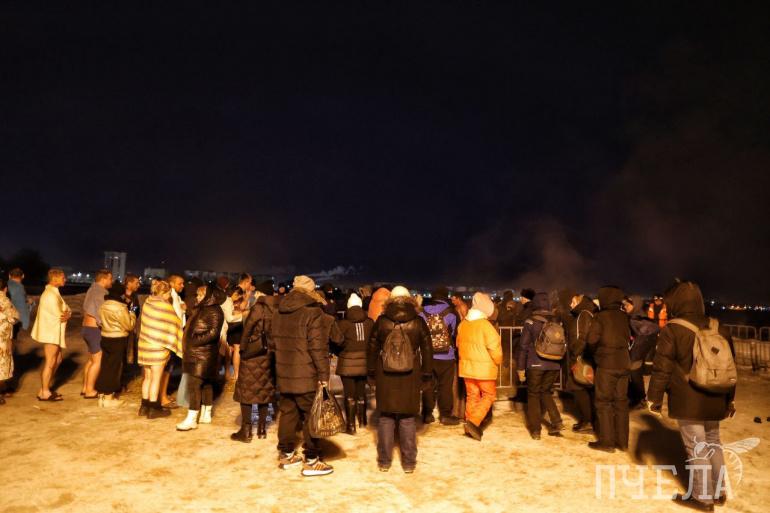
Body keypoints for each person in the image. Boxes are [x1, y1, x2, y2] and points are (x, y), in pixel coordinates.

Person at [647, 281, 736, 511]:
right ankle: (719, 492)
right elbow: (730, 368)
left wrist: (654, 398)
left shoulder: (673, 329)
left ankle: (702, 498)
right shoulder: (718, 327)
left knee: (697, 447)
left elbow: (662, 367)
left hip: (688, 399)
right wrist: (729, 399)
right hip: (716, 396)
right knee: (713, 443)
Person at [272, 275, 334, 476]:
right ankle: (312, 460)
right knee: (311, 416)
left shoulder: (278, 311)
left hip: (284, 372)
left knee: (288, 412)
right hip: (306, 373)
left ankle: (286, 454)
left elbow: (272, 343)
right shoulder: (312, 312)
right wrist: (324, 375)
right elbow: (317, 347)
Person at [368, 285, 433, 473]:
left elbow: (372, 348)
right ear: (409, 300)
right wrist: (426, 375)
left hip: (385, 374)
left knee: (386, 418)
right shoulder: (418, 321)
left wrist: (371, 373)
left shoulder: (382, 321)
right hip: (410, 375)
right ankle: (409, 463)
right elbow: (427, 350)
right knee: (407, 418)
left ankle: (384, 461)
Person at [586, 286, 631, 452]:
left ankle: (607, 442)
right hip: (624, 363)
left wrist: (595, 354)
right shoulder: (624, 316)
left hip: (606, 364)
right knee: (621, 402)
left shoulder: (600, 317)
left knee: (603, 402)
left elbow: (591, 340)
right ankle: (622, 442)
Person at [231, 280, 277, 441]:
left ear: (261, 293)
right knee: (264, 393)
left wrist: (243, 350)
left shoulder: (258, 308)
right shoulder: (277, 308)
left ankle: (246, 430)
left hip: (253, 355)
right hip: (269, 355)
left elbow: (248, 330)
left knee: (246, 392)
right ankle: (262, 429)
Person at [177, 284, 226, 431]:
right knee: (205, 384)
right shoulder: (201, 308)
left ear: (207, 295)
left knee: (194, 384)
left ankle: (192, 418)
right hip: (197, 353)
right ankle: (206, 414)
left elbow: (213, 333)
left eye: (200, 295)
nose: (197, 297)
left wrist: (194, 341)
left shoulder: (214, 310)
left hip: (202, 354)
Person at [517, 292, 564, 439]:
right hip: (554, 363)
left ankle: (536, 430)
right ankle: (557, 421)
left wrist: (520, 368)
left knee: (533, 395)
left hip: (535, 363)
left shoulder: (531, 321)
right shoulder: (556, 320)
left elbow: (523, 346)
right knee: (546, 392)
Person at [456, 292, 502, 440]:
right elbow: (495, 349)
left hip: (466, 367)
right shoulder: (486, 326)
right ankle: (473, 422)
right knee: (489, 395)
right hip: (484, 370)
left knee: (472, 396)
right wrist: (498, 361)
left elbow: (458, 344)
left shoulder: (462, 324)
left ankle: (469, 425)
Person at [137, 279, 183, 419]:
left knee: (147, 377)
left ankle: (144, 407)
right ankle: (153, 408)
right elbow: (176, 323)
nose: (169, 296)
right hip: (157, 348)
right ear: (165, 293)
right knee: (156, 379)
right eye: (169, 294)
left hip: (145, 345)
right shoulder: (165, 306)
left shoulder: (147, 302)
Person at [330, 293, 374, 435]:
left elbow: (335, 342)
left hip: (347, 364)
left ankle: (351, 426)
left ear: (348, 307)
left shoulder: (343, 324)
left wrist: (340, 353)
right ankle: (362, 421)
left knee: (349, 395)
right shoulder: (370, 323)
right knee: (361, 393)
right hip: (365, 362)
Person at [420, 286, 460, 425]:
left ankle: (427, 414)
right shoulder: (451, 312)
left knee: (428, 385)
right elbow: (455, 334)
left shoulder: (423, 312)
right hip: (447, 356)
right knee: (445, 386)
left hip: (427, 355)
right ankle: (445, 415)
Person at [31, 268, 71, 401]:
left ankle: (44, 388)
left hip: (53, 332)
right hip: (51, 333)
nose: (65, 279)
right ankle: (44, 392)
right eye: (63, 277)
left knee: (57, 360)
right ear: (55, 278)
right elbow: (61, 313)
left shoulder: (53, 292)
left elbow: (66, 309)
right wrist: (66, 314)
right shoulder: (49, 294)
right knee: (50, 361)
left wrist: (67, 313)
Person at [96, 283, 136, 407]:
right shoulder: (120, 307)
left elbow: (100, 321)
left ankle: (102, 394)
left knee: (105, 366)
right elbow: (129, 325)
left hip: (105, 337)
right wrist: (132, 313)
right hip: (117, 339)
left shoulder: (104, 305)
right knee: (114, 368)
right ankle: (109, 397)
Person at [565, 293, 598, 433]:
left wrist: (575, 353)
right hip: (587, 357)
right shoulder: (588, 313)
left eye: (573, 302)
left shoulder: (583, 315)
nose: (570, 305)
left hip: (581, 358)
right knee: (587, 388)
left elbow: (582, 337)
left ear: (579, 302)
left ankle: (588, 421)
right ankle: (590, 420)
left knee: (579, 388)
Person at [81, 269, 113, 399]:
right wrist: (106, 326)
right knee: (98, 361)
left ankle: (85, 387)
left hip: (86, 328)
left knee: (91, 360)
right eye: (110, 278)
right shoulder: (101, 292)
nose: (112, 281)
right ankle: (90, 390)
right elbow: (100, 313)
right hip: (94, 330)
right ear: (103, 279)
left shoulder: (91, 289)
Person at [624, 295, 660, 408]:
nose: (625, 307)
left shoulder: (639, 320)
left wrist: (635, 354)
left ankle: (639, 400)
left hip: (636, 353)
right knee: (633, 376)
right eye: (625, 305)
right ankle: (636, 398)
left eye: (628, 305)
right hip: (633, 352)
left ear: (636, 305)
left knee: (635, 376)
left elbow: (644, 337)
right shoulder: (633, 317)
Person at [160, 274, 186, 409]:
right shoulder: (170, 297)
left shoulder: (176, 296)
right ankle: (162, 397)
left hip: (173, 334)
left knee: (168, 367)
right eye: (180, 283)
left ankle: (163, 394)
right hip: (170, 335)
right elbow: (174, 317)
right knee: (167, 368)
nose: (183, 286)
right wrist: (182, 310)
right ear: (171, 284)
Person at [0, 277, 20, 404]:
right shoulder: (4, 300)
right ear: (5, 289)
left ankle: (3, 388)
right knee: (1, 364)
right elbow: (15, 317)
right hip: (2, 338)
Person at [7, 268, 30, 342]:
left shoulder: (5, 285)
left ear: (9, 276)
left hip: (4, 317)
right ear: (23, 276)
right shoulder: (21, 288)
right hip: (14, 318)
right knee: (11, 339)